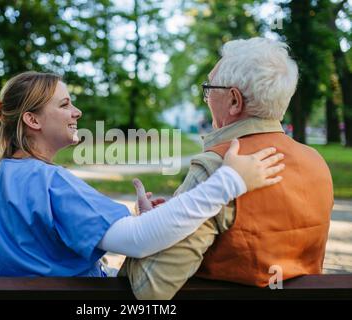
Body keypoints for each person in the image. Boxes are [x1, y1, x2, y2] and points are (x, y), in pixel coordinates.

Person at [0, 71, 284, 277]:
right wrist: (229, 182)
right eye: (65, 105)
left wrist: (142, 220)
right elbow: (138, 242)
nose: (77, 112)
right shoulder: (51, 184)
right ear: (33, 120)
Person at [118, 37, 334, 299]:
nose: (206, 98)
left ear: (234, 101)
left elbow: (150, 288)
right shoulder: (316, 163)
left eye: (209, 88)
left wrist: (145, 230)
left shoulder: (217, 167)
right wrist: (165, 221)